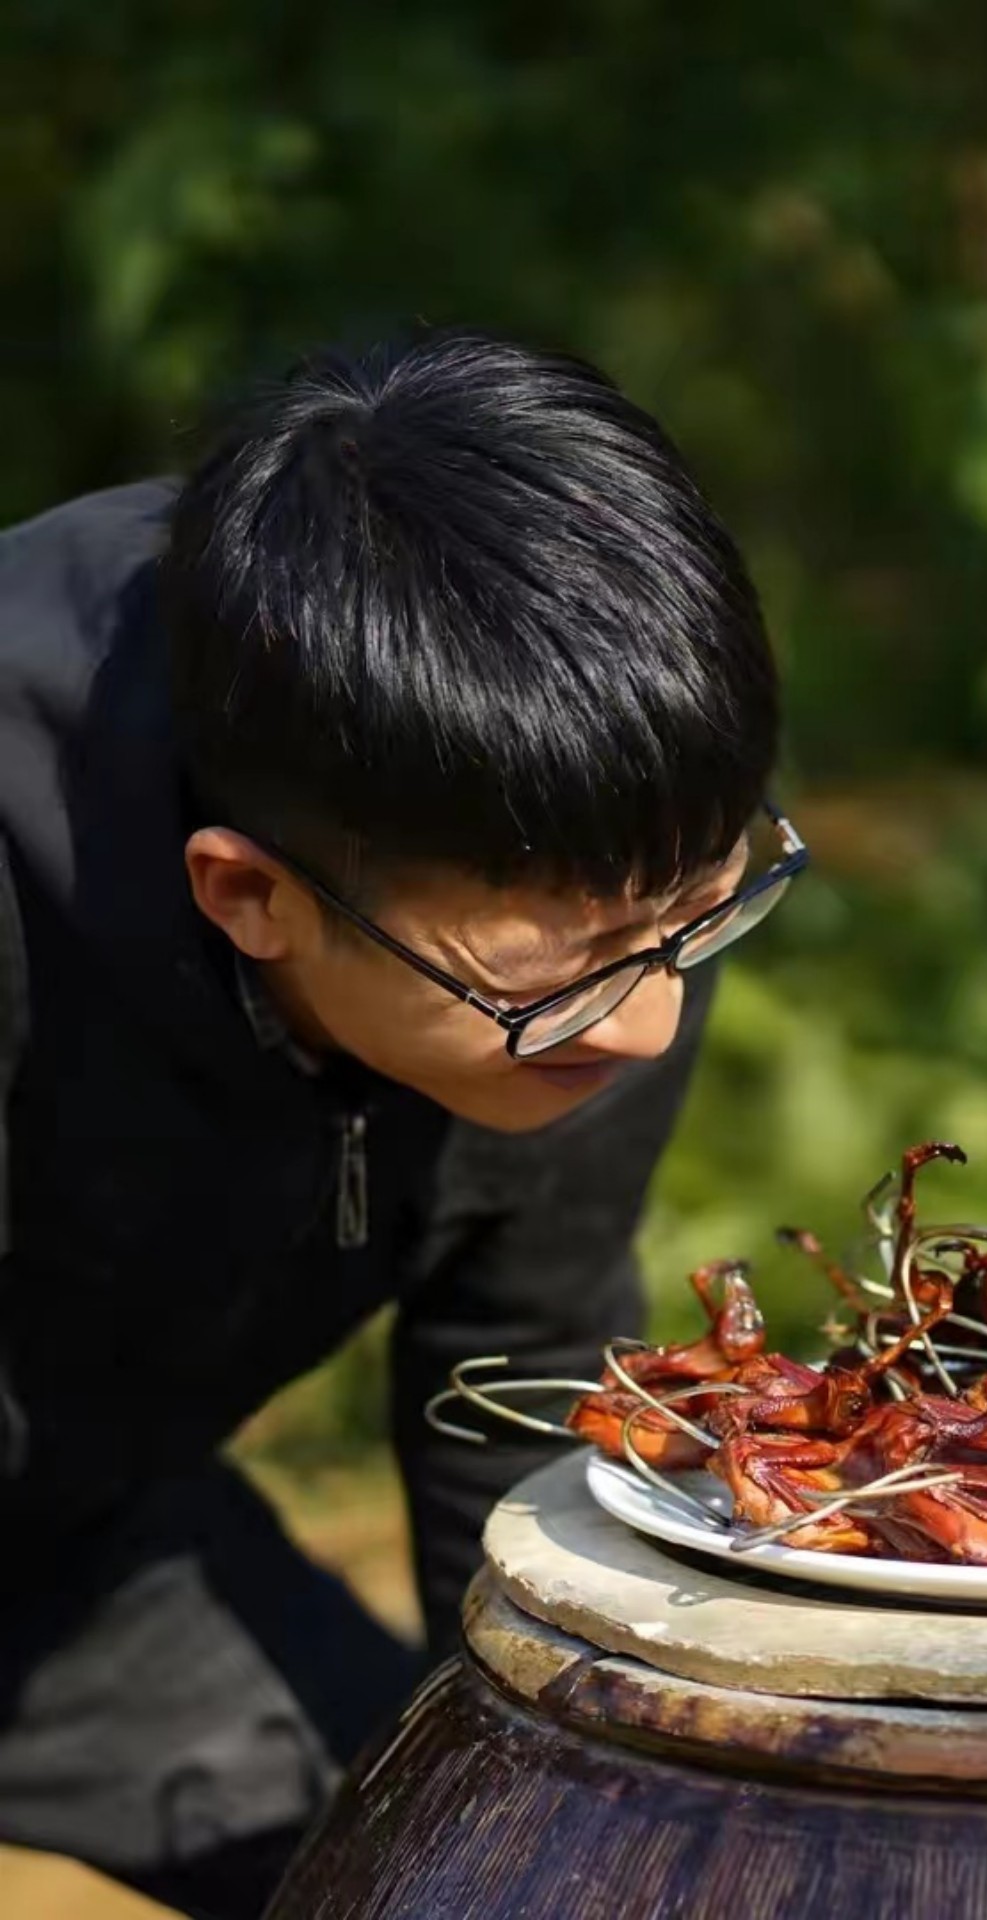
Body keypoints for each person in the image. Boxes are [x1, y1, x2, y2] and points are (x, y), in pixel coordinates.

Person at [0, 330, 795, 1916]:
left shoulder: (603, 813)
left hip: (82, 1531)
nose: (646, 1021)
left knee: (450, 1866)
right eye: (559, 978)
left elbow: (513, 1362)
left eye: (695, 917)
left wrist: (561, 1827)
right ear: (250, 896)